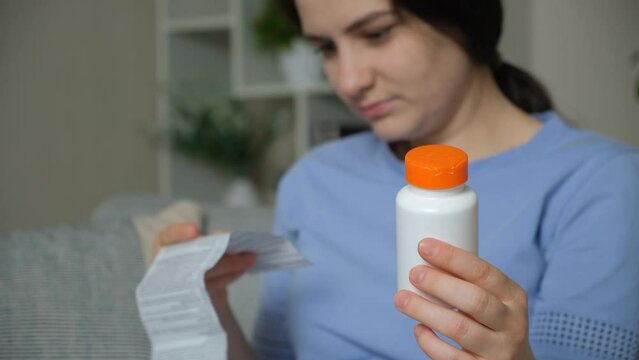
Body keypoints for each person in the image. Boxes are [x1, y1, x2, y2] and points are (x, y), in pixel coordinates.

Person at [155, 0, 639, 358]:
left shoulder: (601, 183)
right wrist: (211, 303)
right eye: (326, 48)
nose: (348, 81)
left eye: (377, 33)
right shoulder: (313, 180)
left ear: (461, 16)